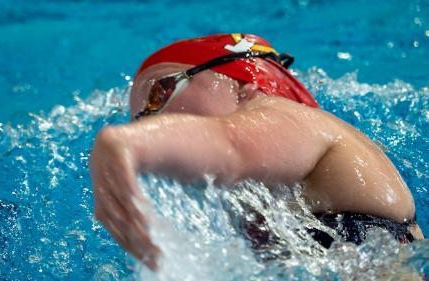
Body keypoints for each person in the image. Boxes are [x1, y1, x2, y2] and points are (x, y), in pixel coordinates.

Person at [89, 33, 424, 270]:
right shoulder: (272, 199)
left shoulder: (290, 117)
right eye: (138, 120)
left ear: (242, 82)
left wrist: (123, 143)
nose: (150, 122)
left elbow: (229, 144)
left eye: (159, 94)